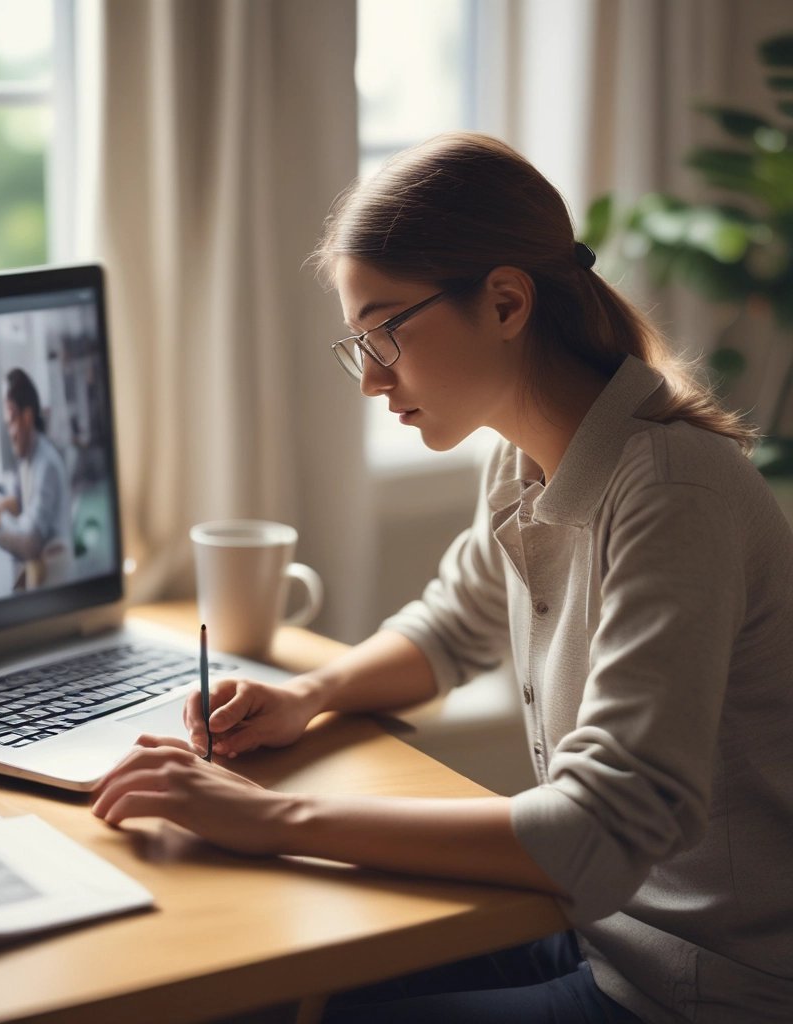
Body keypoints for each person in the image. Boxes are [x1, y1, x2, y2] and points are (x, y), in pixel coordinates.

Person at [90, 133, 793, 1023]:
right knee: (288, 969)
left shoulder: (672, 495)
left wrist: (270, 818)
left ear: (506, 302)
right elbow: (456, 624)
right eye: (358, 343)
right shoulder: (525, 456)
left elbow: (601, 830)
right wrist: (306, 694)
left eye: (385, 331)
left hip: (696, 984)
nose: (371, 380)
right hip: (597, 924)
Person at [0, 368, 71, 586]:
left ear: (27, 417)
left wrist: (0, 525)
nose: (10, 431)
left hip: (55, 576)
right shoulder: (26, 457)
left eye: (12, 420)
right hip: (38, 568)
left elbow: (29, 543)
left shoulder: (46, 465)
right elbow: (17, 500)